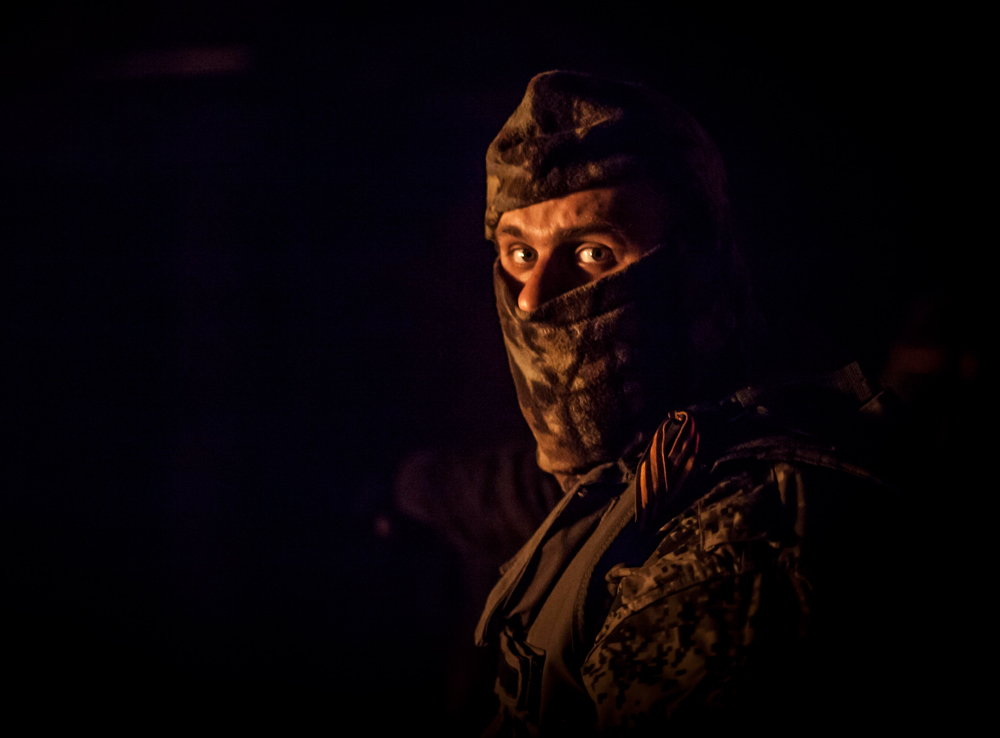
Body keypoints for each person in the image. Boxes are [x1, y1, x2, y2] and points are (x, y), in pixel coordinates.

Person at [472, 71, 914, 734]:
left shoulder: (740, 540)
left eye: (591, 253)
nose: (532, 299)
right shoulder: (636, 467)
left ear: (691, 265)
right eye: (519, 252)